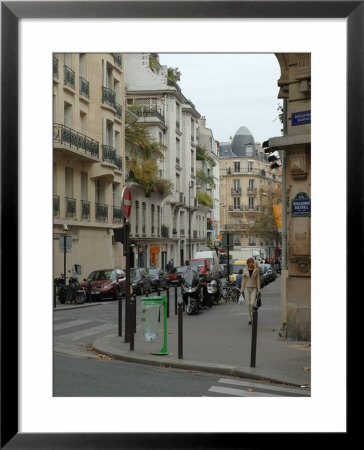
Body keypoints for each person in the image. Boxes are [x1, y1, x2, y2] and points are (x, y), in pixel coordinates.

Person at [240, 257, 261, 325]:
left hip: (254, 288)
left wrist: (259, 289)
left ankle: (252, 315)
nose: (251, 263)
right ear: (248, 263)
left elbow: (258, 280)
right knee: (248, 304)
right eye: (250, 262)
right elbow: (243, 280)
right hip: (246, 288)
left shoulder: (256, 270)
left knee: (252, 303)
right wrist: (242, 289)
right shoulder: (244, 270)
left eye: (252, 262)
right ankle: (249, 319)